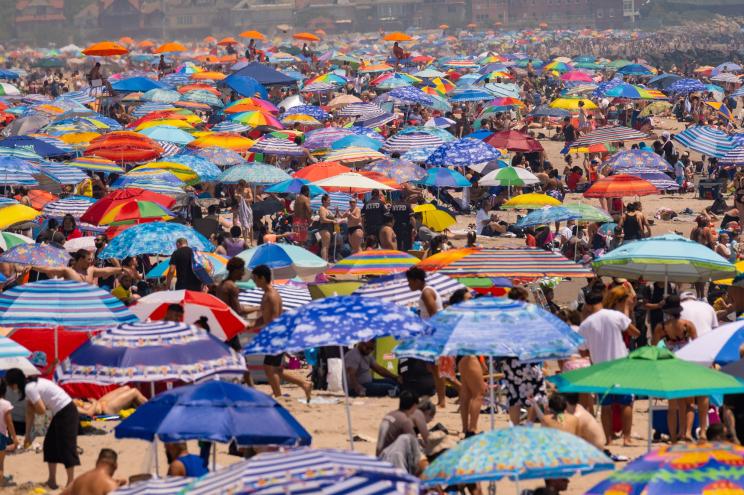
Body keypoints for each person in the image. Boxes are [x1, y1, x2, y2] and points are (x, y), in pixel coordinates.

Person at [578, 286, 640, 446]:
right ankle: (627, 438)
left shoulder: (586, 324)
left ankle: (609, 438)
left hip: (600, 369)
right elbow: (635, 332)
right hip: (621, 365)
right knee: (626, 402)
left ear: (588, 305)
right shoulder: (615, 315)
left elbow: (583, 352)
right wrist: (626, 309)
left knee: (606, 405)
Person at [5, 368, 79, 489]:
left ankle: (71, 483)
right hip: (60, 412)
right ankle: (51, 480)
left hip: (66, 411)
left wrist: (34, 407)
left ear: (14, 384)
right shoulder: (28, 387)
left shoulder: (30, 388)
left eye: (11, 385)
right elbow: (29, 413)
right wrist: (27, 435)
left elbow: (41, 410)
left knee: (67, 447)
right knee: (50, 445)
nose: (12, 389)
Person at [253, 264, 312, 402]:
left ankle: (279, 396)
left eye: (255, 278)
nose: (254, 281)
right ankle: (304, 384)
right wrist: (250, 326)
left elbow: (273, 320)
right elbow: (263, 317)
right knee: (274, 369)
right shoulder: (267, 295)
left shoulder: (272, 296)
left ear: (262, 278)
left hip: (276, 336)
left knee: (269, 368)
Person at [652, 295, 699, 443]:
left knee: (672, 406)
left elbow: (654, 349)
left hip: (670, 366)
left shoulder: (662, 327)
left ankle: (673, 437)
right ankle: (686, 433)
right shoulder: (688, 325)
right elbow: (698, 345)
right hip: (686, 365)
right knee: (689, 403)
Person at [405, 267, 448, 407]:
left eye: (410, 282)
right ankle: (442, 398)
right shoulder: (427, 291)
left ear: (417, 281)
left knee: (436, 369)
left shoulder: (426, 292)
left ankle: (443, 399)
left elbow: (434, 315)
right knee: (432, 368)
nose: (408, 285)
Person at [375, 391, 425, 474]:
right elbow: (414, 447)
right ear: (414, 406)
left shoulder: (390, 415)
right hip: (392, 460)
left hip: (380, 456)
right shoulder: (405, 421)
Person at [73, 386, 147, 417]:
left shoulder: (68, 402)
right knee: (134, 392)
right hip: (105, 410)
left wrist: (94, 402)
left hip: (100, 403)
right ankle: (153, 409)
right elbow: (89, 413)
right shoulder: (70, 407)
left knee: (126, 388)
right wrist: (94, 402)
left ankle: (144, 409)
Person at [0, 381, 17, 488]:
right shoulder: (5, 404)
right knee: (0, 464)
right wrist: (15, 438)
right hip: (1, 435)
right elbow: (9, 423)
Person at [318, 194, 338, 261]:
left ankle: (325, 261)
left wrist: (336, 212)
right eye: (329, 200)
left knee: (327, 247)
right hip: (324, 229)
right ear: (324, 201)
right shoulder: (322, 208)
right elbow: (323, 219)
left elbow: (334, 218)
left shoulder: (327, 210)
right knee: (325, 246)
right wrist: (332, 221)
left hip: (328, 230)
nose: (330, 202)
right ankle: (324, 262)